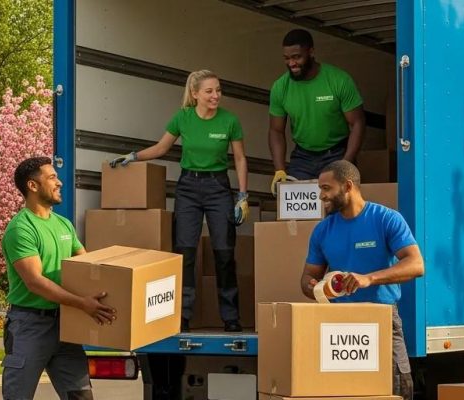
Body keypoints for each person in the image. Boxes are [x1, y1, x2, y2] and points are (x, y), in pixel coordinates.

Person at [110, 70, 248, 333]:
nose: (215, 95)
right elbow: (162, 148)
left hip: (219, 187)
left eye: (218, 90)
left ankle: (231, 317)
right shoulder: (182, 118)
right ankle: (182, 315)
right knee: (185, 252)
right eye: (209, 91)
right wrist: (134, 156)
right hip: (188, 187)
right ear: (195, 94)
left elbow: (240, 158)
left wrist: (242, 195)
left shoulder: (230, 121)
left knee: (225, 253)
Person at [300, 160, 424, 400]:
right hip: (338, 326)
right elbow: (308, 277)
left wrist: (369, 279)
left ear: (347, 186)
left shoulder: (386, 219)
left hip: (383, 318)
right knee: (345, 392)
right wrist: (313, 287)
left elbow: (416, 265)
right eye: (320, 189)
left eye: (326, 188)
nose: (321, 195)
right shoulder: (322, 230)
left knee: (397, 389)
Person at [1, 156, 117, 400]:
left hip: (65, 324)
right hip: (29, 326)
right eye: (52, 177)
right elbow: (35, 282)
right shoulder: (21, 229)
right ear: (33, 186)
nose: (60, 182)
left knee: (81, 396)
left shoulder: (64, 225)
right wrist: (82, 303)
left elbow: (86, 265)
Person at [268, 28, 366, 193]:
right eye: (287, 58)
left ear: (311, 52)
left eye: (296, 57)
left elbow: (358, 123)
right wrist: (279, 170)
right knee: (295, 210)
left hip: (336, 153)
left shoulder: (338, 80)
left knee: (338, 205)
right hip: (303, 157)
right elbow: (276, 130)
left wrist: (346, 163)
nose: (291, 63)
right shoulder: (280, 87)